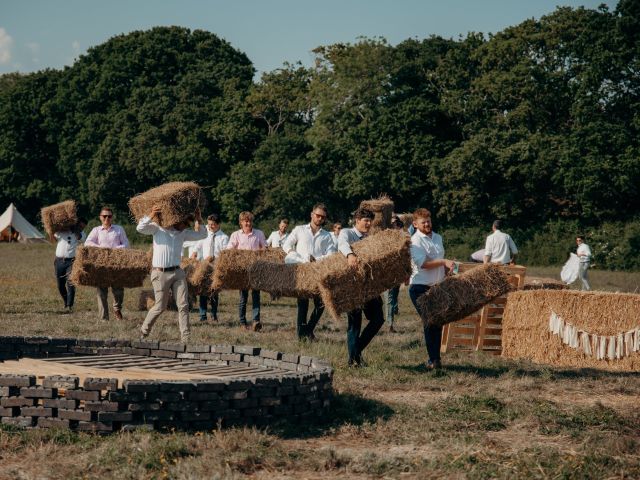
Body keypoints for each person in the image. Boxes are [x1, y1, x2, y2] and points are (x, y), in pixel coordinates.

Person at [138, 206, 206, 343]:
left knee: (184, 305)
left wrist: (199, 219)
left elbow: (203, 235)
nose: (185, 227)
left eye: (187, 224)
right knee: (160, 306)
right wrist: (151, 214)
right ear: (176, 220)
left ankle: (185, 337)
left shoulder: (183, 233)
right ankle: (144, 331)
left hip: (178, 272)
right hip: (159, 273)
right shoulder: (157, 228)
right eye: (184, 223)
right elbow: (140, 228)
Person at [337, 207, 385, 366]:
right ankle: (353, 360)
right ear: (357, 220)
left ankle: (356, 351)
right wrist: (350, 254)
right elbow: (342, 243)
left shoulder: (371, 238)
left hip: (370, 286)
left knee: (378, 319)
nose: (369, 223)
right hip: (351, 285)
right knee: (354, 324)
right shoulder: (347, 233)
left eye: (370, 221)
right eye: (366, 221)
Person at [407, 208, 454, 370]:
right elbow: (424, 264)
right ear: (415, 224)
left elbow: (438, 259)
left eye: (429, 221)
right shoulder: (414, 241)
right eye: (423, 222)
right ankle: (433, 360)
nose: (427, 224)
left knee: (438, 322)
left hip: (437, 287)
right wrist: (443, 262)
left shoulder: (438, 237)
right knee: (429, 321)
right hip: (420, 287)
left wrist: (447, 270)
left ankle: (436, 359)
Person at [282, 203, 336, 340]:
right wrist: (295, 255)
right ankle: (301, 335)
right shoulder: (299, 229)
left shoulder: (327, 236)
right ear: (312, 214)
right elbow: (287, 244)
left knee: (321, 303)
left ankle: (309, 328)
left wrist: (316, 259)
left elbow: (331, 254)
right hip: (302, 270)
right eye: (317, 215)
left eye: (322, 217)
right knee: (303, 303)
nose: (319, 219)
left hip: (318, 270)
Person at [84, 207, 129, 320]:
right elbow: (87, 243)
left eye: (109, 216)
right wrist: (100, 248)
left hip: (116, 263)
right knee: (101, 291)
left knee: (118, 290)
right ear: (100, 217)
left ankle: (117, 308)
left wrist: (114, 249)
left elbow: (127, 244)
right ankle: (104, 318)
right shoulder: (96, 230)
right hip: (101, 264)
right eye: (104, 216)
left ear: (112, 217)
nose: (107, 218)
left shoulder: (119, 229)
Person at [227, 211, 266, 331]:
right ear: (241, 223)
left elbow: (264, 248)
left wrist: (261, 252)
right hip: (242, 271)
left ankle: (256, 321)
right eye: (245, 221)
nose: (248, 223)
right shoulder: (236, 235)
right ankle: (243, 322)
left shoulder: (259, 233)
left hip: (255, 269)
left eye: (249, 221)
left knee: (256, 296)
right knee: (243, 297)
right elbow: (229, 250)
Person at [193, 213, 229, 322]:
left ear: (218, 224)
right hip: (204, 266)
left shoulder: (224, 237)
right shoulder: (205, 234)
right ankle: (202, 315)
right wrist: (194, 252)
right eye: (209, 224)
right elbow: (198, 245)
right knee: (203, 291)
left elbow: (225, 254)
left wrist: (215, 258)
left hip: (216, 267)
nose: (210, 226)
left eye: (212, 224)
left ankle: (214, 314)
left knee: (214, 291)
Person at [52, 218, 87, 313]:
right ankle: (65, 301)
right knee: (60, 285)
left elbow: (81, 238)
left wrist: (76, 231)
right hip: (59, 261)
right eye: (80, 226)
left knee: (71, 283)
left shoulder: (81, 234)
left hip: (71, 262)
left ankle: (69, 305)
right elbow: (53, 235)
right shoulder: (62, 232)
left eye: (83, 227)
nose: (81, 228)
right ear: (76, 223)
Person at [385, 215, 405, 332]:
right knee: (389, 298)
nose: (393, 225)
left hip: (398, 272)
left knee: (394, 296)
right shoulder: (385, 238)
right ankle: (390, 325)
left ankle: (393, 312)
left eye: (395, 223)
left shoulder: (402, 237)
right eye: (391, 223)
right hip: (387, 273)